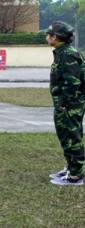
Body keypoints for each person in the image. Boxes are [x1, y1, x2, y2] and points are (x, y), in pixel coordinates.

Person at [45, 22, 85, 186]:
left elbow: (72, 82)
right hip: (65, 103)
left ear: (55, 37)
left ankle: (76, 175)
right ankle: (71, 167)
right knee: (65, 135)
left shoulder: (68, 54)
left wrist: (63, 103)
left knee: (72, 136)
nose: (46, 37)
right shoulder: (62, 52)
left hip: (69, 104)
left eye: (49, 34)